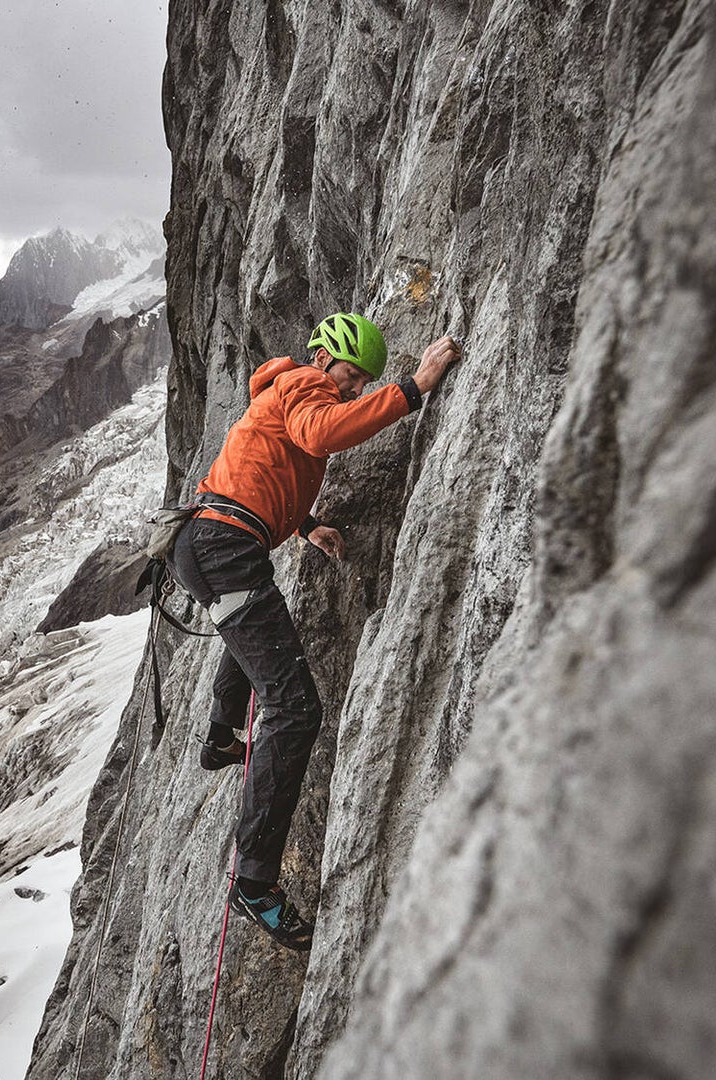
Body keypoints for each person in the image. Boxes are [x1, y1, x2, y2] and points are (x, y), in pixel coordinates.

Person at [166, 313, 460, 951]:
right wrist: (413, 388)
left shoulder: (285, 391)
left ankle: (220, 736)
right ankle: (254, 883)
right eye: (351, 375)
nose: (353, 390)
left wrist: (305, 524)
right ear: (323, 357)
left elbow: (268, 467)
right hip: (224, 547)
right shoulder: (305, 383)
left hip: (213, 541)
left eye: (362, 382)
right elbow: (320, 434)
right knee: (295, 709)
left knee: (256, 628)